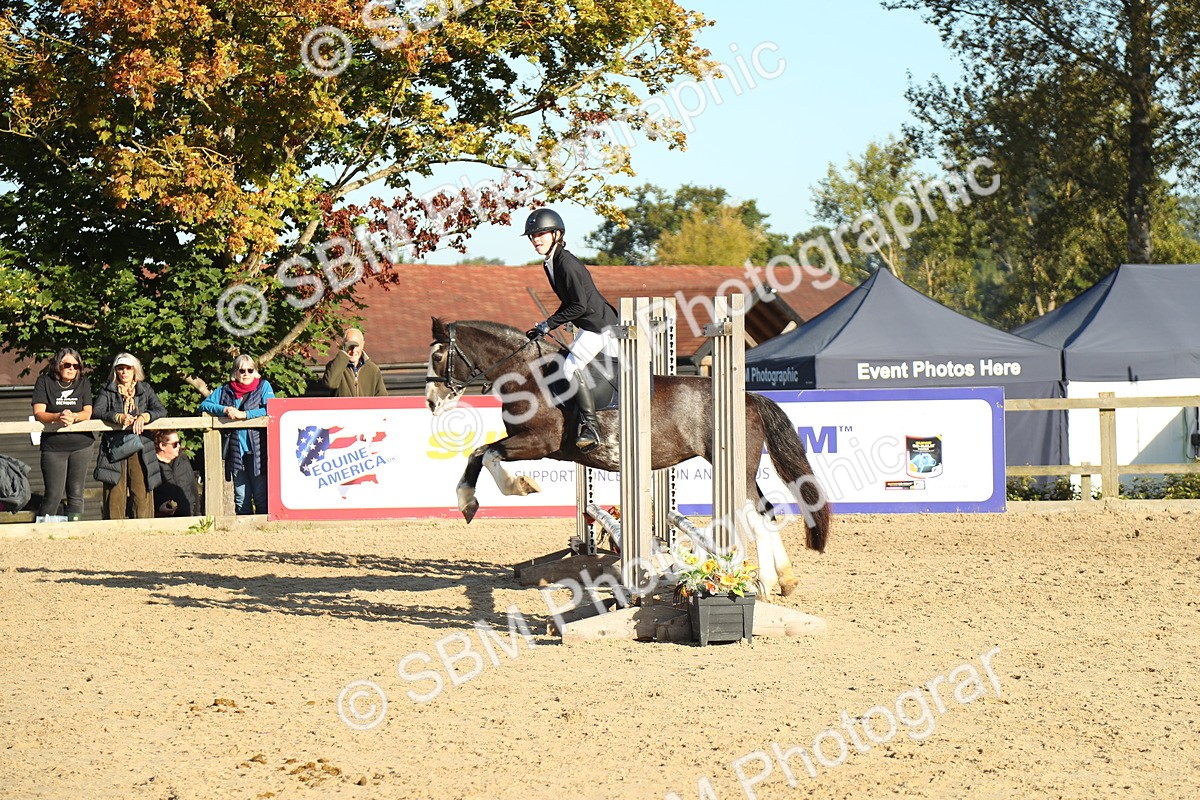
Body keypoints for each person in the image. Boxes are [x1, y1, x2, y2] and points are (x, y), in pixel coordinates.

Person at [522, 207, 620, 450]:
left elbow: (579, 305)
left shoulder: (566, 263)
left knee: (569, 367)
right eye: (533, 236)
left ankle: (591, 426)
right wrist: (545, 325)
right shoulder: (551, 263)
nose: (535, 240)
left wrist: (549, 324)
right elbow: (569, 303)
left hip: (599, 326)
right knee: (565, 363)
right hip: (589, 325)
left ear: (556, 234)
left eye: (540, 234)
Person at [92, 353, 166, 519]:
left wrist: (144, 416)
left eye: (128, 368)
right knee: (114, 493)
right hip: (115, 447)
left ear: (135, 370)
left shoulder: (144, 389)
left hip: (141, 445)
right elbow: (97, 411)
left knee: (141, 493)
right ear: (115, 371)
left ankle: (143, 532)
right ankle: (113, 533)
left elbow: (161, 410)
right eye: (120, 368)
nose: (124, 372)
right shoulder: (108, 389)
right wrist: (118, 417)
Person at [198, 354, 274, 514]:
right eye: (242, 370)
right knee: (241, 498)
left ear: (255, 371)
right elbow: (204, 405)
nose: (246, 373)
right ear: (235, 372)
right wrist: (224, 410)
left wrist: (245, 415)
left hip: (258, 450)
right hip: (235, 451)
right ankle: (243, 535)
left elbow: (271, 408)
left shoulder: (264, 386)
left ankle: (263, 531)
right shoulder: (225, 390)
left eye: (250, 369)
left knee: (261, 495)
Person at [31, 348, 94, 520]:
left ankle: (74, 534)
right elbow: (39, 413)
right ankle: (43, 532)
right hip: (54, 446)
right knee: (53, 494)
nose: (72, 368)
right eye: (67, 364)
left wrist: (74, 416)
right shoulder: (44, 381)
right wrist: (58, 417)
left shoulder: (83, 383)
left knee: (76, 493)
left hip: (81, 445)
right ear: (57, 365)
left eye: (76, 365)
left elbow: (87, 412)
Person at [322, 327, 387, 397]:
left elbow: (382, 398)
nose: (353, 351)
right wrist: (344, 354)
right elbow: (330, 383)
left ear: (363, 345)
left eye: (357, 346)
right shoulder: (335, 366)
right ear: (343, 345)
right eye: (350, 346)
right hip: (343, 408)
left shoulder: (373, 369)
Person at [152, 429, 199, 517]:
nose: (179, 446)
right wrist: (160, 506)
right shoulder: (152, 465)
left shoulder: (183, 460)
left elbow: (193, 490)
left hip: (189, 517)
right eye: (175, 444)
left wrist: (197, 514)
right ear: (162, 446)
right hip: (163, 520)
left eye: (179, 442)